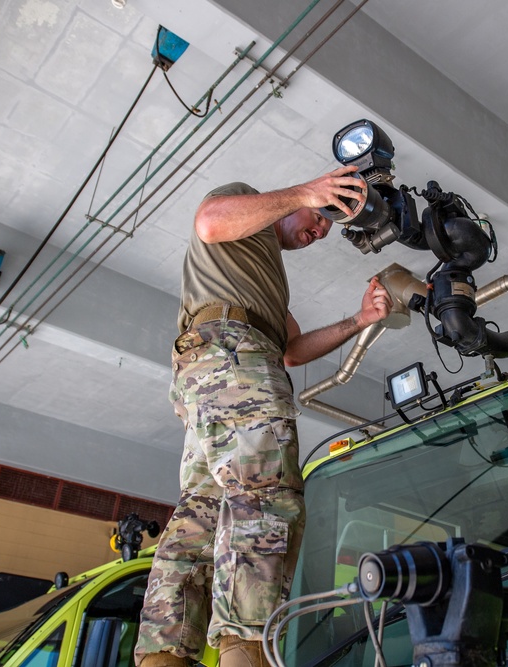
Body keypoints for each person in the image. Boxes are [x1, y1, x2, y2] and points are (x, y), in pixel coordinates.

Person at [135, 165, 393, 667]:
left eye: (326, 231)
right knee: (264, 501)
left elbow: (292, 351)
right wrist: (306, 189)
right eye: (321, 216)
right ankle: (247, 653)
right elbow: (209, 221)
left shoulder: (264, 274)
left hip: (213, 373)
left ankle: (164, 656)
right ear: (299, 197)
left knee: (202, 516)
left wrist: (359, 320)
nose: (320, 231)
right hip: (233, 354)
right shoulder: (243, 202)